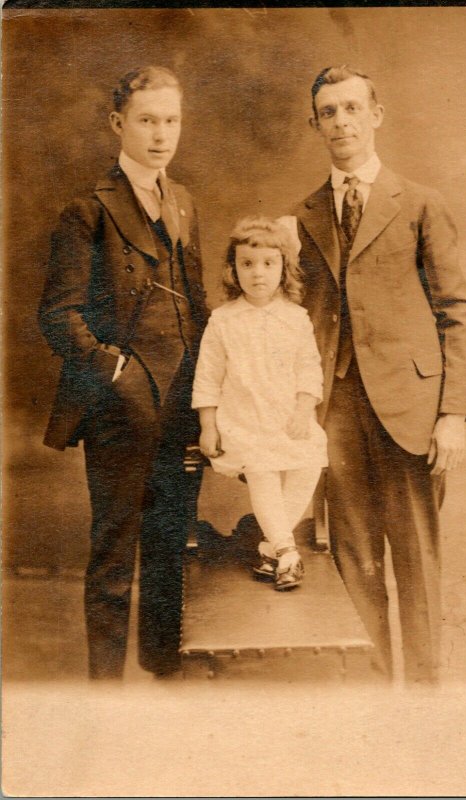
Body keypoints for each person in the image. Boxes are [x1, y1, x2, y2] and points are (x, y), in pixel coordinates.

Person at [289, 65, 466, 682]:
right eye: (328, 113)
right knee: (353, 560)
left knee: (417, 562)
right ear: (316, 125)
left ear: (376, 114)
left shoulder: (421, 203)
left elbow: (456, 311)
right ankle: (368, 704)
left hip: (411, 411)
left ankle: (424, 703)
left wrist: (452, 414)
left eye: (351, 108)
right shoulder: (302, 215)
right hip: (335, 413)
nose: (341, 122)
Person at [39, 66, 209, 679]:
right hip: (121, 408)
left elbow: (197, 303)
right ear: (118, 124)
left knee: (169, 545)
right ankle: (104, 700)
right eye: (147, 120)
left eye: (171, 120)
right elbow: (59, 317)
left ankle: (162, 673)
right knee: (114, 554)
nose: (161, 134)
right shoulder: (86, 210)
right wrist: (117, 375)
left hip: (184, 400)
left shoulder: (185, 201)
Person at [192, 216, 328, 590]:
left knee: (312, 456)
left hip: (286, 413)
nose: (258, 274)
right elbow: (207, 376)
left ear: (284, 269)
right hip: (242, 418)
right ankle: (287, 550)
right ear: (233, 270)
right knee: (262, 465)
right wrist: (208, 425)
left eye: (269, 264)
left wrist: (303, 410)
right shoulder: (223, 320)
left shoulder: (295, 318)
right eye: (247, 264)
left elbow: (308, 368)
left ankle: (271, 548)